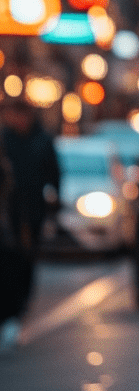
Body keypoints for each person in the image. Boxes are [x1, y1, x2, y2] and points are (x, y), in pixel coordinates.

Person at [0, 97, 60, 349]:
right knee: (10, 258)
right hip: (9, 211)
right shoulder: (5, 140)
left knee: (26, 255)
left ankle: (20, 302)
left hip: (32, 208)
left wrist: (53, 201)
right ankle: (12, 308)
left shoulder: (41, 139)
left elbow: (54, 172)